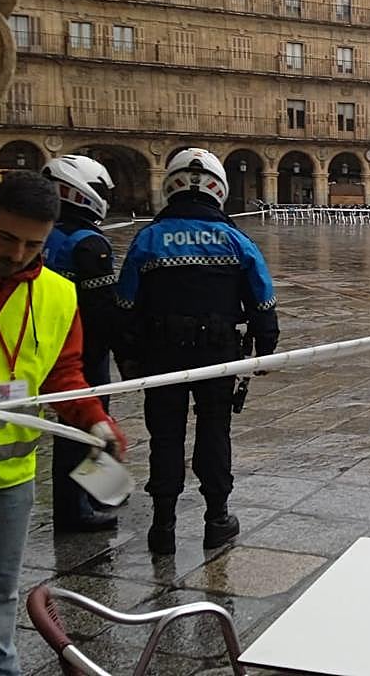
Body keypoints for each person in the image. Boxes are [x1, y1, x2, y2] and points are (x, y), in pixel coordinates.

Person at [0, 170, 127, 676]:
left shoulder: (59, 294)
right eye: (7, 238)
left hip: (9, 476)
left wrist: (94, 419)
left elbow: (63, 373)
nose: (16, 254)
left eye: (33, 245)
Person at [115, 148, 279, 555]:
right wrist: (265, 346)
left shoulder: (148, 238)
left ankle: (163, 526)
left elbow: (125, 304)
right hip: (218, 352)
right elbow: (262, 298)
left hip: (161, 352)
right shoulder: (235, 239)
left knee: (165, 436)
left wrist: (129, 357)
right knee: (214, 432)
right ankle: (217, 518)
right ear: (218, 189)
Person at [42, 155, 122, 531]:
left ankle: (99, 492)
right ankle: (81, 506)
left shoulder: (48, 235)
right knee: (87, 424)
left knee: (72, 426)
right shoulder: (89, 243)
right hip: (85, 350)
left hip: (45, 341)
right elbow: (104, 311)